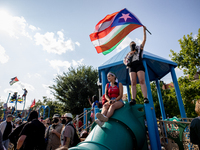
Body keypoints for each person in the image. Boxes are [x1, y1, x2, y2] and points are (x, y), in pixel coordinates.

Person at [124, 26, 149, 105]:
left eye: (134, 44)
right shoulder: (128, 53)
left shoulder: (139, 49)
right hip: (131, 66)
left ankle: (145, 97)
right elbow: (124, 61)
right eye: (131, 45)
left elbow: (144, 40)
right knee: (133, 82)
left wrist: (144, 31)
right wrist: (129, 56)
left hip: (139, 64)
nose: (133, 45)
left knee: (141, 80)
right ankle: (133, 99)